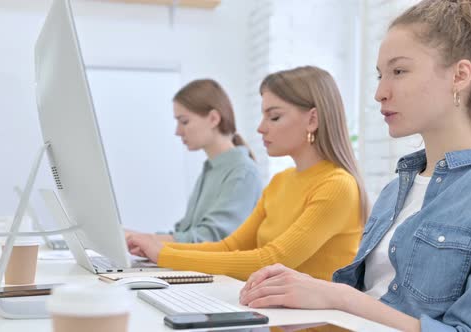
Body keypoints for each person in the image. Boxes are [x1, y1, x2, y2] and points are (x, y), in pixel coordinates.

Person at [239, 1, 471, 331]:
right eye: (379, 75)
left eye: (399, 71)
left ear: (459, 76)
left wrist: (340, 297)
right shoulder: (394, 192)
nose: (379, 92)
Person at [126, 66, 369, 281]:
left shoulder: (337, 186)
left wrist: (163, 254)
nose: (261, 127)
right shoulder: (280, 182)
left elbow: (270, 260)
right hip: (275, 318)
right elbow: (230, 247)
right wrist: (157, 250)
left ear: (312, 119)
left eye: (274, 116)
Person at [126, 79, 263, 243]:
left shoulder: (242, 172)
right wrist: (139, 240)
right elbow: (187, 232)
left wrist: (143, 239)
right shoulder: (211, 168)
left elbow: (210, 239)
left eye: (184, 121)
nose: (178, 131)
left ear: (213, 118)